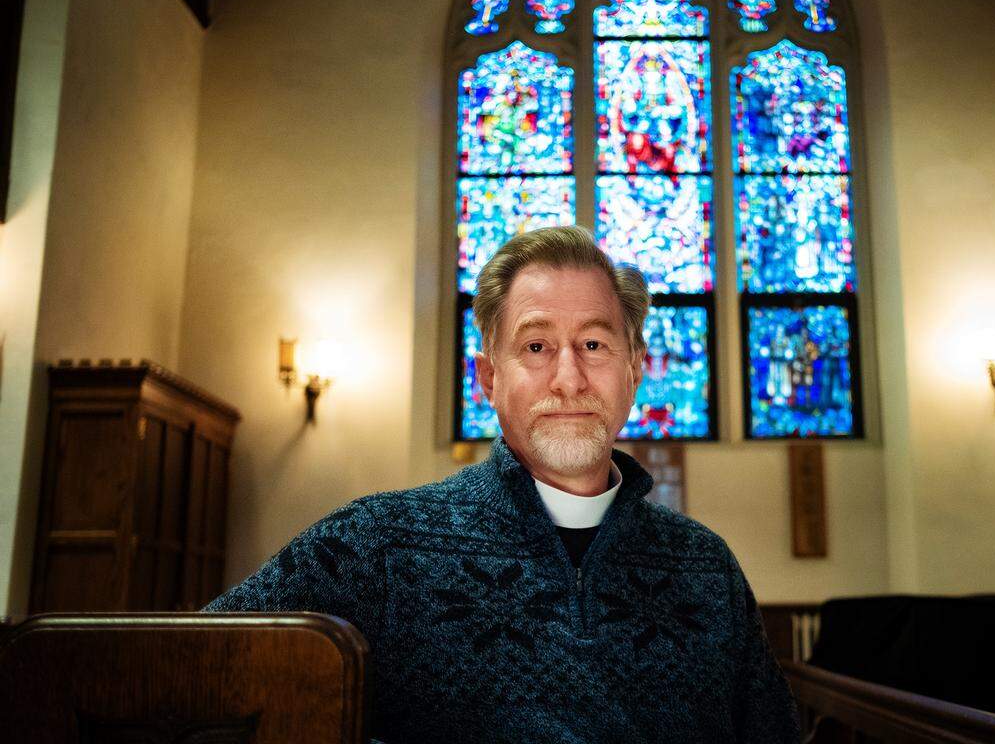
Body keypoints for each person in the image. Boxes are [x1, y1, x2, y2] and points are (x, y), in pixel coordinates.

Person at [205, 226, 799, 743]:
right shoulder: (375, 547)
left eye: (593, 344)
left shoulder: (707, 569)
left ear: (634, 371)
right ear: (488, 376)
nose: (569, 379)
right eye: (536, 347)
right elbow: (184, 674)